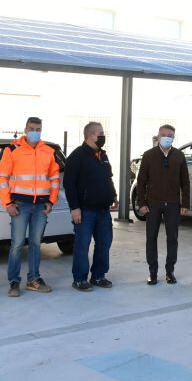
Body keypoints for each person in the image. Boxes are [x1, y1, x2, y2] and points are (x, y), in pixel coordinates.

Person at [0, 116, 60, 297]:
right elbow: (2, 177)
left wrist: (51, 201)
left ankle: (33, 279)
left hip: (41, 205)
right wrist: (7, 203)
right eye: (32, 128)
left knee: (35, 243)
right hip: (20, 204)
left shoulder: (47, 151)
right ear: (25, 129)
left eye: (38, 129)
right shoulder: (12, 149)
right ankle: (14, 282)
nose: (35, 132)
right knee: (17, 245)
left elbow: (54, 178)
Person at [64, 121, 117, 292]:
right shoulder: (77, 156)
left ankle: (98, 276)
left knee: (104, 244)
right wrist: (74, 208)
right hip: (85, 211)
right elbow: (69, 184)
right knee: (82, 245)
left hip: (103, 210)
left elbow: (108, 177)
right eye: (100, 133)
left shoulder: (103, 155)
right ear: (90, 135)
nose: (103, 136)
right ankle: (79, 279)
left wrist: (113, 195)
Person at [136, 124, 190, 285]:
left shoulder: (179, 156)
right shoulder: (148, 155)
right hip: (153, 203)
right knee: (151, 237)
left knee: (172, 238)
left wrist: (185, 203)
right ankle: (153, 273)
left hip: (173, 203)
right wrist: (142, 203)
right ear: (158, 136)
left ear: (173, 138)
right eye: (164, 134)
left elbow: (185, 182)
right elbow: (141, 182)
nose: (167, 137)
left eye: (170, 135)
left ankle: (170, 272)